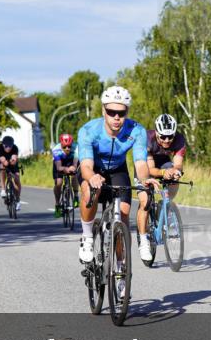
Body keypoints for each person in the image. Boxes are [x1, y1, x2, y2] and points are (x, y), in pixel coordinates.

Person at [76, 86, 159, 282]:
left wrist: (145, 179)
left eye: (121, 113)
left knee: (122, 215)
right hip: (93, 169)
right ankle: (87, 237)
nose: (116, 117)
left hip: (118, 170)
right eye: (111, 112)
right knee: (89, 191)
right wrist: (92, 177)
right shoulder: (89, 130)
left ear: (127, 113)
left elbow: (140, 163)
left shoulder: (136, 130)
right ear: (103, 110)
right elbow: (85, 165)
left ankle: (121, 271)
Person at [136, 113, 187, 260]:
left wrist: (175, 172)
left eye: (170, 136)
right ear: (157, 133)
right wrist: (164, 172)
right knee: (145, 202)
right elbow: (150, 169)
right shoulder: (147, 139)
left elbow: (177, 163)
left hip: (164, 161)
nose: (167, 140)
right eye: (163, 137)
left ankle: (166, 206)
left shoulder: (179, 140)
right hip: (145, 165)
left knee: (174, 178)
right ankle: (143, 239)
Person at [51, 133, 79, 217]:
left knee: (74, 175)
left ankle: (76, 196)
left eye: (69, 146)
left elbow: (75, 163)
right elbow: (59, 167)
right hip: (60, 163)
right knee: (59, 183)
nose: (67, 149)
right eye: (64, 147)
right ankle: (57, 205)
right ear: (61, 145)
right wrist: (66, 169)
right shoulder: (56, 150)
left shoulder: (76, 147)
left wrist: (73, 167)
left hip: (70, 161)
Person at [0, 135, 21, 209]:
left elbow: (14, 159)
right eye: (6, 146)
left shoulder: (15, 148)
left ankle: (17, 199)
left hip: (12, 163)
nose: (8, 148)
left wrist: (12, 161)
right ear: (3, 145)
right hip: (3, 162)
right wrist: (5, 162)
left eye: (10, 146)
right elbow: (2, 159)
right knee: (2, 168)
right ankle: (3, 190)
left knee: (17, 179)